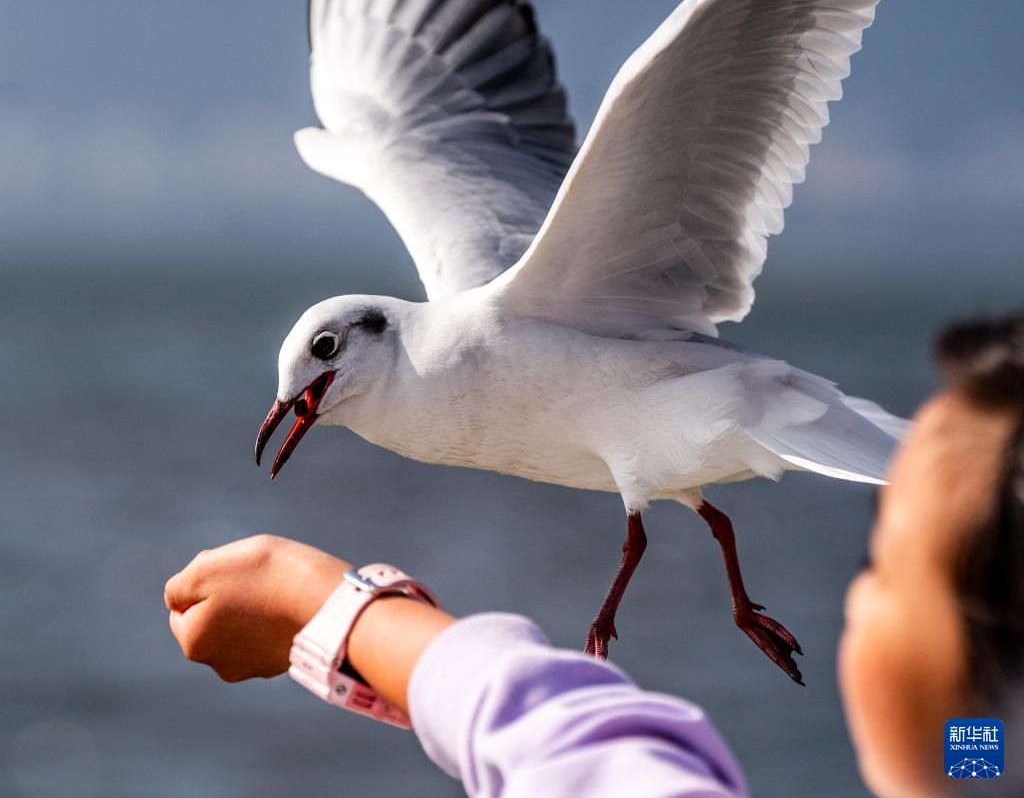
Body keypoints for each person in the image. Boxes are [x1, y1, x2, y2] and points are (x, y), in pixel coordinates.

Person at [165, 314, 1024, 797]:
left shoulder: (974, 746)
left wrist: (324, 606)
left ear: (958, 661)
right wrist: (973, 738)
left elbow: (588, 767)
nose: (861, 596)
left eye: (885, 568)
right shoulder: (982, 753)